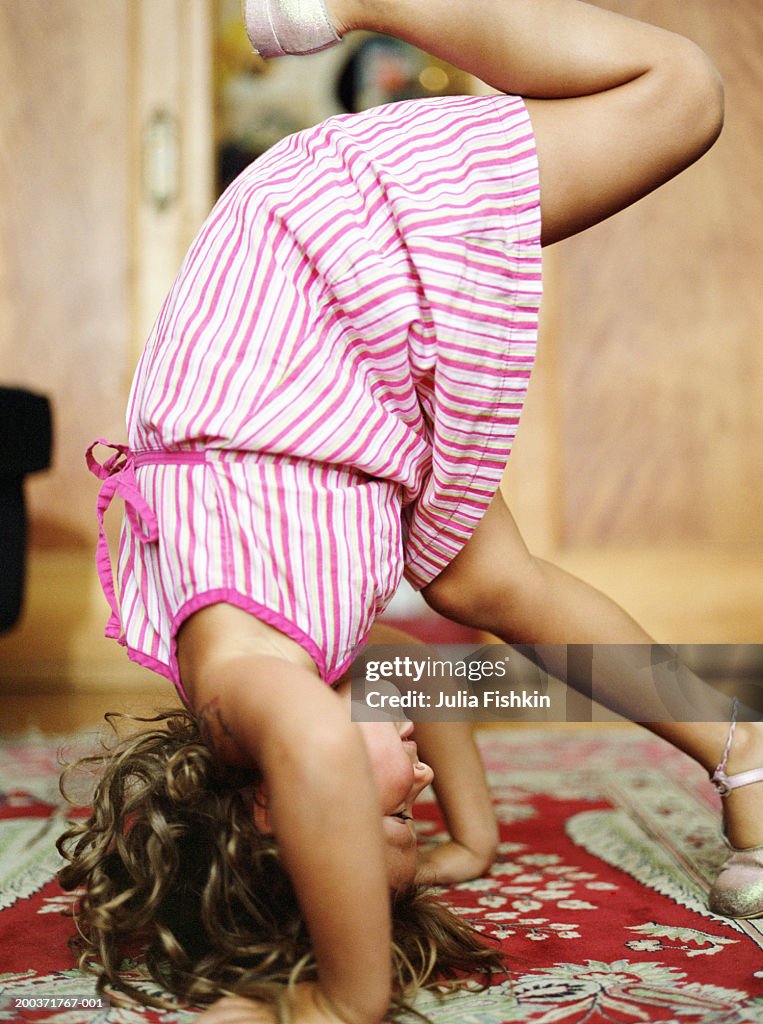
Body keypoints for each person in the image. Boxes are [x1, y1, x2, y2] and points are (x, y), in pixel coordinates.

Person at [57, 1, 763, 1022]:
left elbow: (321, 752)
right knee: (482, 583)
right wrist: (469, 837)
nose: (417, 788)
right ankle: (743, 747)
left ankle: (354, 2)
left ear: (274, 805)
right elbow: (419, 673)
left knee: (680, 94)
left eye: (387, 808)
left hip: (307, 267)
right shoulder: (311, 659)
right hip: (341, 402)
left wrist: (348, 999)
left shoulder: (251, 692)